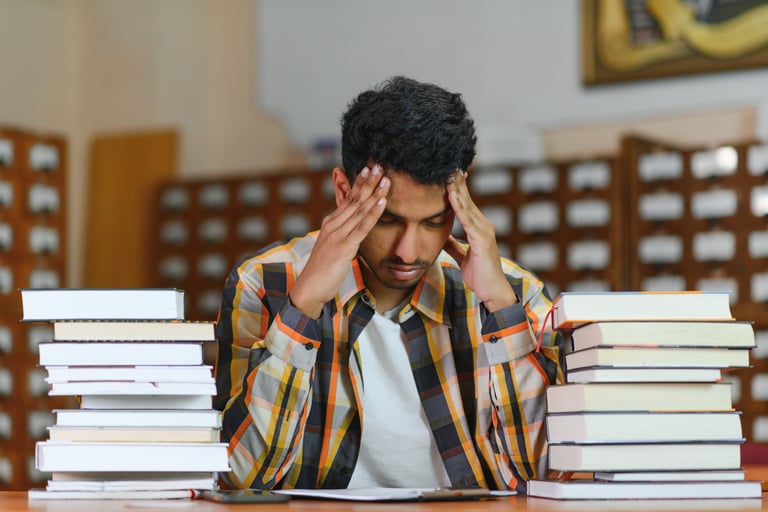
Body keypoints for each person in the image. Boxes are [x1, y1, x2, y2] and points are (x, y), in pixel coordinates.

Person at [213, 76, 563, 493]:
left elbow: (544, 476)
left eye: (435, 222)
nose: (408, 252)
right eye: (387, 220)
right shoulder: (263, 284)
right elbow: (240, 477)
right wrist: (303, 306)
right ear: (344, 191)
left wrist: (501, 309)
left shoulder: (514, 294)